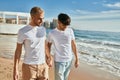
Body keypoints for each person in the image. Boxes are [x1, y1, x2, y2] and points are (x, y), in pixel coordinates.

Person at [13, 6, 52, 80]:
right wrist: (16, 69)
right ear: (32, 17)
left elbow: (44, 45)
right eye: (39, 18)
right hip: (29, 67)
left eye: (43, 18)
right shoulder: (22, 31)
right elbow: (18, 51)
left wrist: (49, 57)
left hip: (43, 66)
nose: (42, 21)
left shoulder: (43, 29)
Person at [47, 13, 79, 80]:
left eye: (67, 25)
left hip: (69, 60)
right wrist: (48, 58)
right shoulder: (52, 33)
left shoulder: (70, 31)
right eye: (64, 25)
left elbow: (73, 45)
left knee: (65, 78)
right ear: (58, 22)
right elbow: (48, 46)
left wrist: (77, 59)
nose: (66, 27)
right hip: (59, 61)